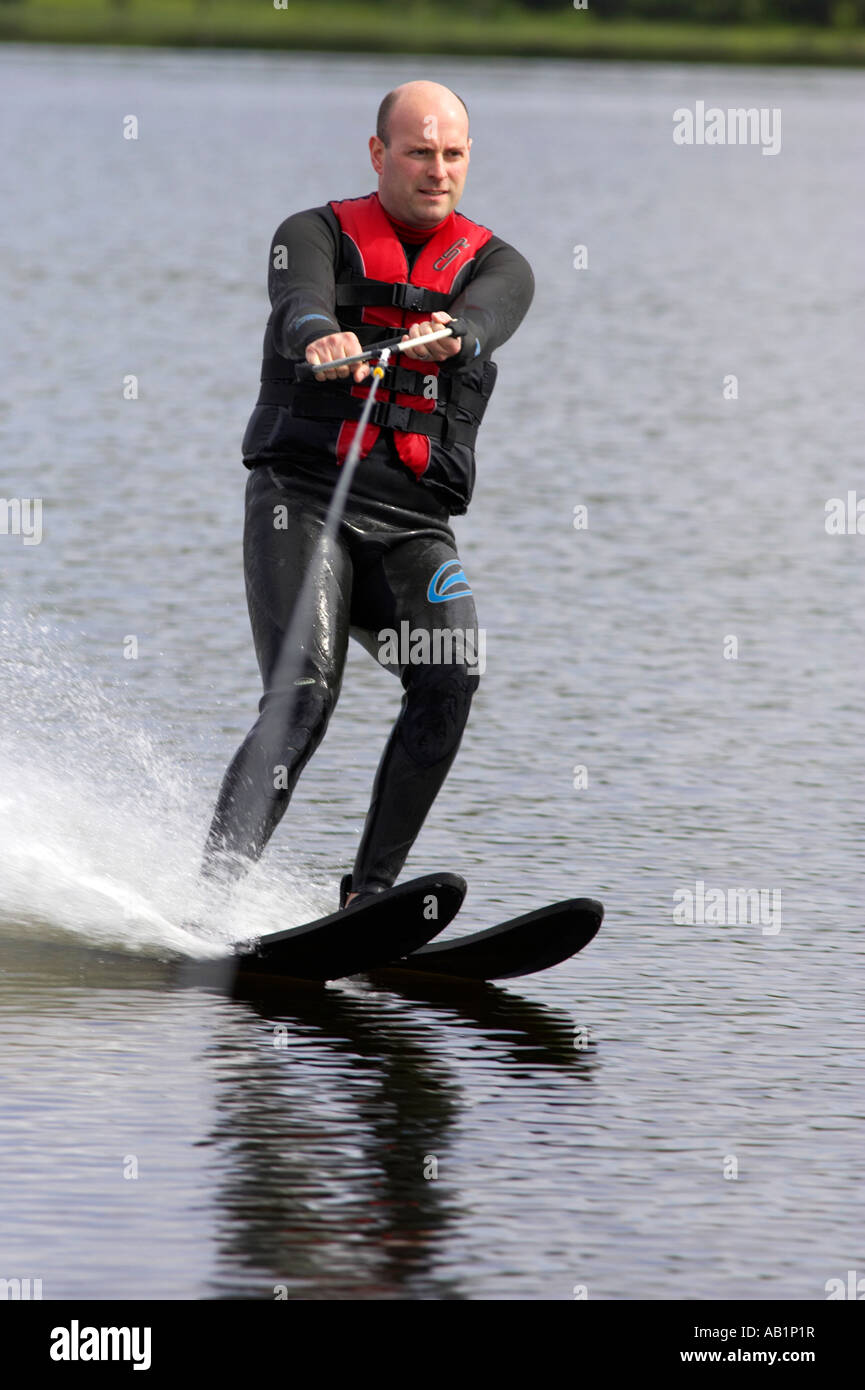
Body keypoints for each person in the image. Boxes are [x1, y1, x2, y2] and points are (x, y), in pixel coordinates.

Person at [202, 80, 534, 910]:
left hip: (411, 523)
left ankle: (367, 898)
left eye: (452, 154)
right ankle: (207, 900)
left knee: (449, 675)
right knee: (305, 693)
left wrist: (459, 331)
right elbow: (298, 302)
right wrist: (323, 337)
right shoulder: (309, 233)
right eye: (419, 152)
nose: (437, 170)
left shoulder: (498, 264)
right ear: (378, 154)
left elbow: (492, 312)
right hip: (303, 500)